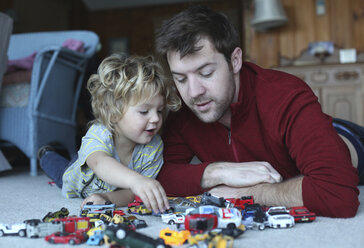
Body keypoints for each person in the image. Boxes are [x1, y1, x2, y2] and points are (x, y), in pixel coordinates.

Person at [154, 5, 359, 217]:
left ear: (235, 61)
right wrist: (217, 171)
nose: (194, 92)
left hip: (349, 139)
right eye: (181, 78)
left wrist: (248, 193)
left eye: (206, 73)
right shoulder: (184, 107)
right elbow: (158, 175)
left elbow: (338, 195)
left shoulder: (284, 95)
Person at [38, 54, 181, 213]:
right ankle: (47, 153)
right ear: (113, 113)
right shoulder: (100, 133)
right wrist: (137, 180)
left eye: (160, 111)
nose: (155, 118)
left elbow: (133, 193)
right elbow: (100, 163)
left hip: (107, 188)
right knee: (60, 171)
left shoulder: (153, 148)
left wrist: (106, 198)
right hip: (75, 178)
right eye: (144, 111)